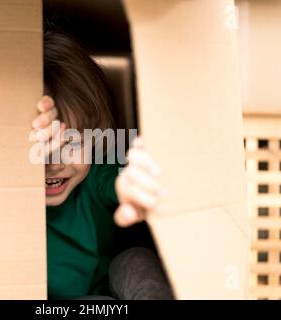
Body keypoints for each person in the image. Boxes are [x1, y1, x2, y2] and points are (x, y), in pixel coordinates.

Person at [31, 30, 174, 300]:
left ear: (96, 137)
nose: (54, 162)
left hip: (110, 295)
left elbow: (118, 180)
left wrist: (133, 185)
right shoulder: (7, 193)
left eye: (72, 143)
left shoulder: (96, 176)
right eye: (41, 144)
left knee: (136, 260)